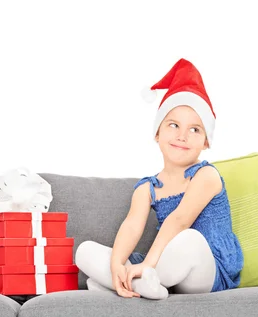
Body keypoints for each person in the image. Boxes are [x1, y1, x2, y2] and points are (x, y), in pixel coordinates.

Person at [75, 58, 243, 300]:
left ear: (206, 141)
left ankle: (137, 281)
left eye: (195, 129)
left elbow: (180, 220)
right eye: (173, 125)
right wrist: (116, 264)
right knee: (84, 251)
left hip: (207, 270)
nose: (182, 136)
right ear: (157, 133)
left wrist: (149, 264)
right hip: (164, 265)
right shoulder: (147, 188)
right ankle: (133, 282)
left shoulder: (207, 175)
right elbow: (132, 226)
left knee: (190, 240)